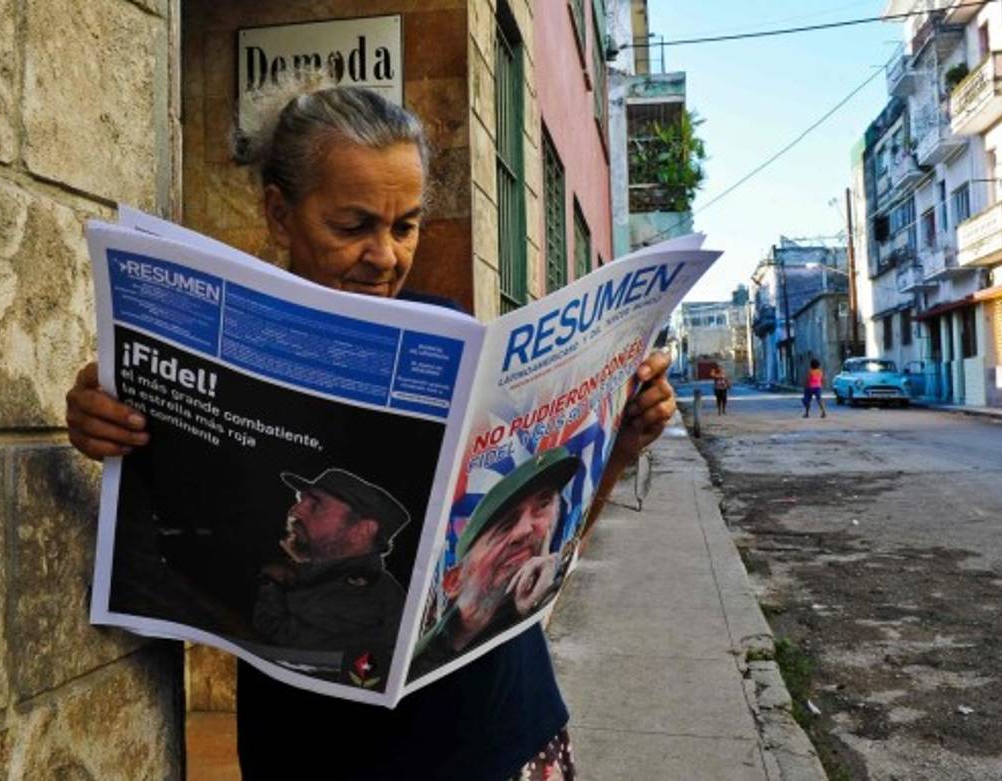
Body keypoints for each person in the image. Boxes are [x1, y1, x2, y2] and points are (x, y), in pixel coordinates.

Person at [65, 78, 676, 780]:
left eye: (405, 224)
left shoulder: (452, 338)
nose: (385, 255)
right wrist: (107, 417)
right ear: (279, 214)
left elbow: (551, 542)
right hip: (314, 750)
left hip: (498, 736)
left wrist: (623, 445)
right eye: (353, 226)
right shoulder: (216, 352)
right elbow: (170, 530)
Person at [412, 448, 581, 677]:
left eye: (543, 504)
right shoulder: (418, 661)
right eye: (504, 526)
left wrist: (619, 454)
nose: (524, 530)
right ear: (454, 582)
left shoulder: (543, 590)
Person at [252, 468, 409, 664]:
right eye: (300, 499)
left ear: (362, 531)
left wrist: (271, 583)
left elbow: (286, 643)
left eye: (315, 505)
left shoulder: (369, 597)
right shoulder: (312, 573)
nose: (295, 510)